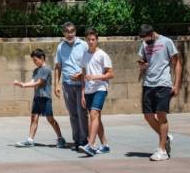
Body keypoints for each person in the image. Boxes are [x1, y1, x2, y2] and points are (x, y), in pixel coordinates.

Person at [138, 24, 182, 161]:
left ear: (152, 33)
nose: (146, 41)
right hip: (148, 84)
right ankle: (166, 137)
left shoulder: (166, 42)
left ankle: (162, 150)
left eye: (147, 39)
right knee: (148, 116)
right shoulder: (144, 44)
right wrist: (142, 64)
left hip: (163, 84)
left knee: (161, 115)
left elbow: (177, 62)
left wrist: (176, 84)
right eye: (144, 40)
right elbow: (141, 60)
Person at [13, 49, 66, 148]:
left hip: (45, 98)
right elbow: (33, 81)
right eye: (33, 60)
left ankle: (60, 138)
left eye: (35, 60)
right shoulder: (36, 70)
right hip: (37, 98)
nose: (34, 62)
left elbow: (39, 83)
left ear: (42, 58)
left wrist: (23, 85)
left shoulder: (46, 69)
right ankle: (30, 140)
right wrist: (22, 84)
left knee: (50, 119)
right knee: (34, 118)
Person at [76, 29, 114, 157]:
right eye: (89, 39)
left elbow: (111, 74)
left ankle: (91, 145)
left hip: (100, 88)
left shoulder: (102, 55)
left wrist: (96, 77)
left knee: (94, 114)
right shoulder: (84, 55)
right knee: (96, 117)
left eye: (93, 39)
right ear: (86, 40)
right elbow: (83, 76)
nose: (91, 42)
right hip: (88, 90)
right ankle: (105, 145)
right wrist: (82, 93)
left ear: (97, 40)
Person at [54, 21, 89, 149]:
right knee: (73, 114)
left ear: (75, 32)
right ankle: (77, 141)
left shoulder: (84, 45)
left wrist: (81, 73)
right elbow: (58, 67)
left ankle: (85, 141)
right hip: (67, 85)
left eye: (72, 31)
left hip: (81, 84)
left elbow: (89, 63)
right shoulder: (60, 47)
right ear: (63, 33)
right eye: (67, 32)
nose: (70, 34)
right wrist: (56, 85)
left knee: (82, 113)